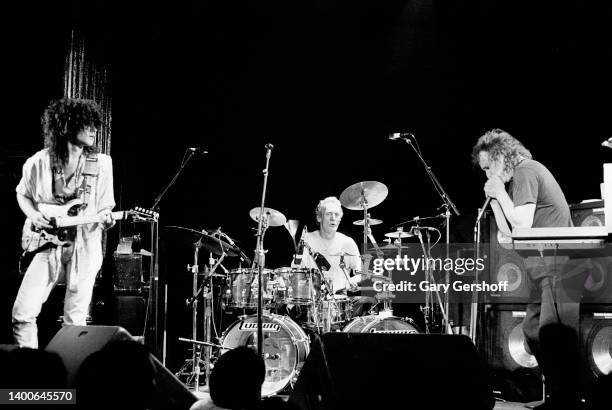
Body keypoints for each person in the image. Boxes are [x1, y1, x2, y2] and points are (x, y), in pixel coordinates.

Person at [472, 128, 583, 409]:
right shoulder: (515, 184)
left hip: (563, 265)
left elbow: (522, 224)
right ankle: (562, 395)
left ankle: (569, 398)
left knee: (551, 332)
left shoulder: (526, 171)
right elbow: (507, 239)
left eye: (488, 168)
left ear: (501, 157)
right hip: (545, 270)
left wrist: (499, 193)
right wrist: (497, 201)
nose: (488, 175)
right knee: (533, 330)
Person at [13, 98, 115, 349]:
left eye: (95, 125)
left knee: (75, 321)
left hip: (84, 245)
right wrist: (34, 215)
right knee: (22, 314)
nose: (94, 130)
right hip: (47, 243)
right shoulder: (38, 162)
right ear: (67, 125)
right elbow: (22, 193)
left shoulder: (101, 164)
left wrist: (108, 220)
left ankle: (67, 378)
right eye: (87, 124)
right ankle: (31, 374)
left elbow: (105, 208)